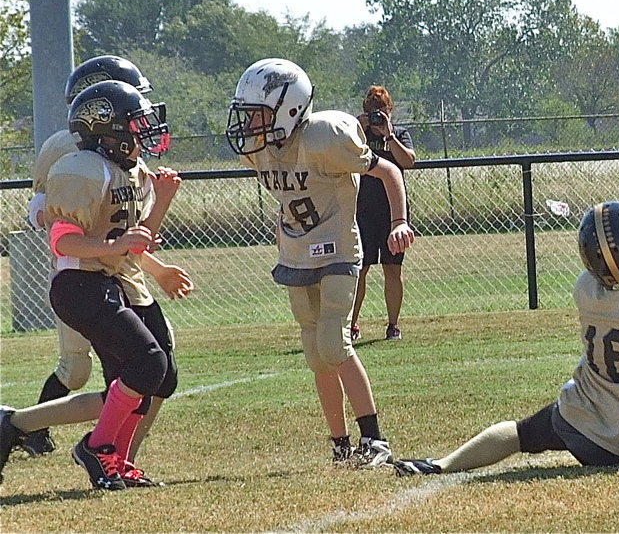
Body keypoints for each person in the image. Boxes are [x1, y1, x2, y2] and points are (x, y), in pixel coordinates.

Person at [391, 202, 619, 476]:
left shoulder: (585, 287)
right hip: (618, 440)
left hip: (573, 414)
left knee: (521, 433)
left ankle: (439, 464)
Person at [225, 58, 414, 467]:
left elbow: (390, 172)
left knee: (333, 343)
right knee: (315, 354)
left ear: (288, 108)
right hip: (296, 253)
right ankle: (340, 445)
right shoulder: (260, 151)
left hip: (338, 250)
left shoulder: (325, 138)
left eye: (256, 114)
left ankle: (375, 439)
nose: (249, 124)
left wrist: (399, 222)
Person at [9, 55, 191, 464]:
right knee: (88, 370)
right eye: (133, 111)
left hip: (121, 273)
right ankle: (24, 427)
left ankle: (117, 453)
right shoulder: (74, 159)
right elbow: (51, 222)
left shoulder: (129, 163)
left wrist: (155, 262)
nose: (144, 124)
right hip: (85, 277)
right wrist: (103, 245)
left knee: (154, 369)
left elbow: (134, 232)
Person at [350, 85, 416, 342]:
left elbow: (408, 160)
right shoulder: (357, 136)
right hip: (361, 211)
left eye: (383, 111)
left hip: (393, 214)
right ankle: (352, 325)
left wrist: (388, 135)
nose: (378, 116)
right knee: (360, 269)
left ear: (391, 111)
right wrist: (357, 127)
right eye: (373, 111)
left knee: (392, 269)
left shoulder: (399, 134)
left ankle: (393, 325)